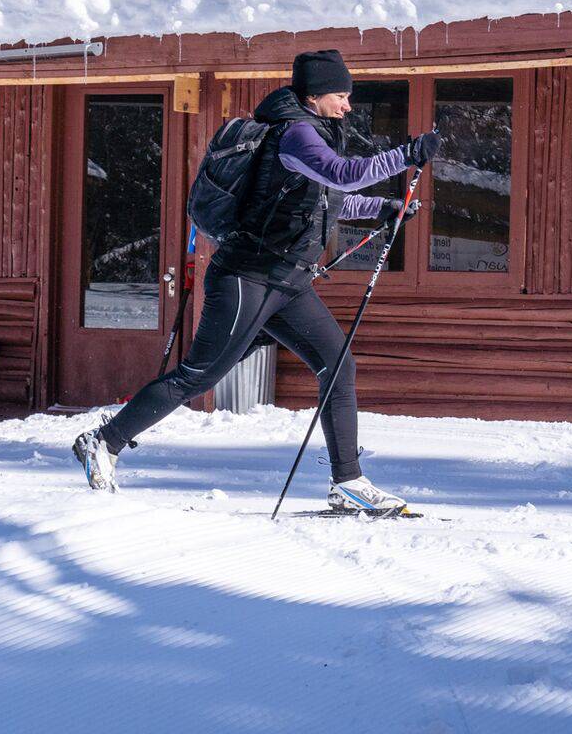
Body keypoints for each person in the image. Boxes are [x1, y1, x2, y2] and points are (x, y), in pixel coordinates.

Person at [73, 48, 438, 513]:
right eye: (341, 96)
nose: (348, 105)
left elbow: (327, 202)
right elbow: (344, 177)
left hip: (288, 281)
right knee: (197, 376)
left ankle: (348, 482)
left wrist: (384, 210)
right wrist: (406, 155)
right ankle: (103, 442)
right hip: (247, 276)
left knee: (337, 365)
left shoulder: (317, 133)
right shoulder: (296, 135)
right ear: (314, 95)